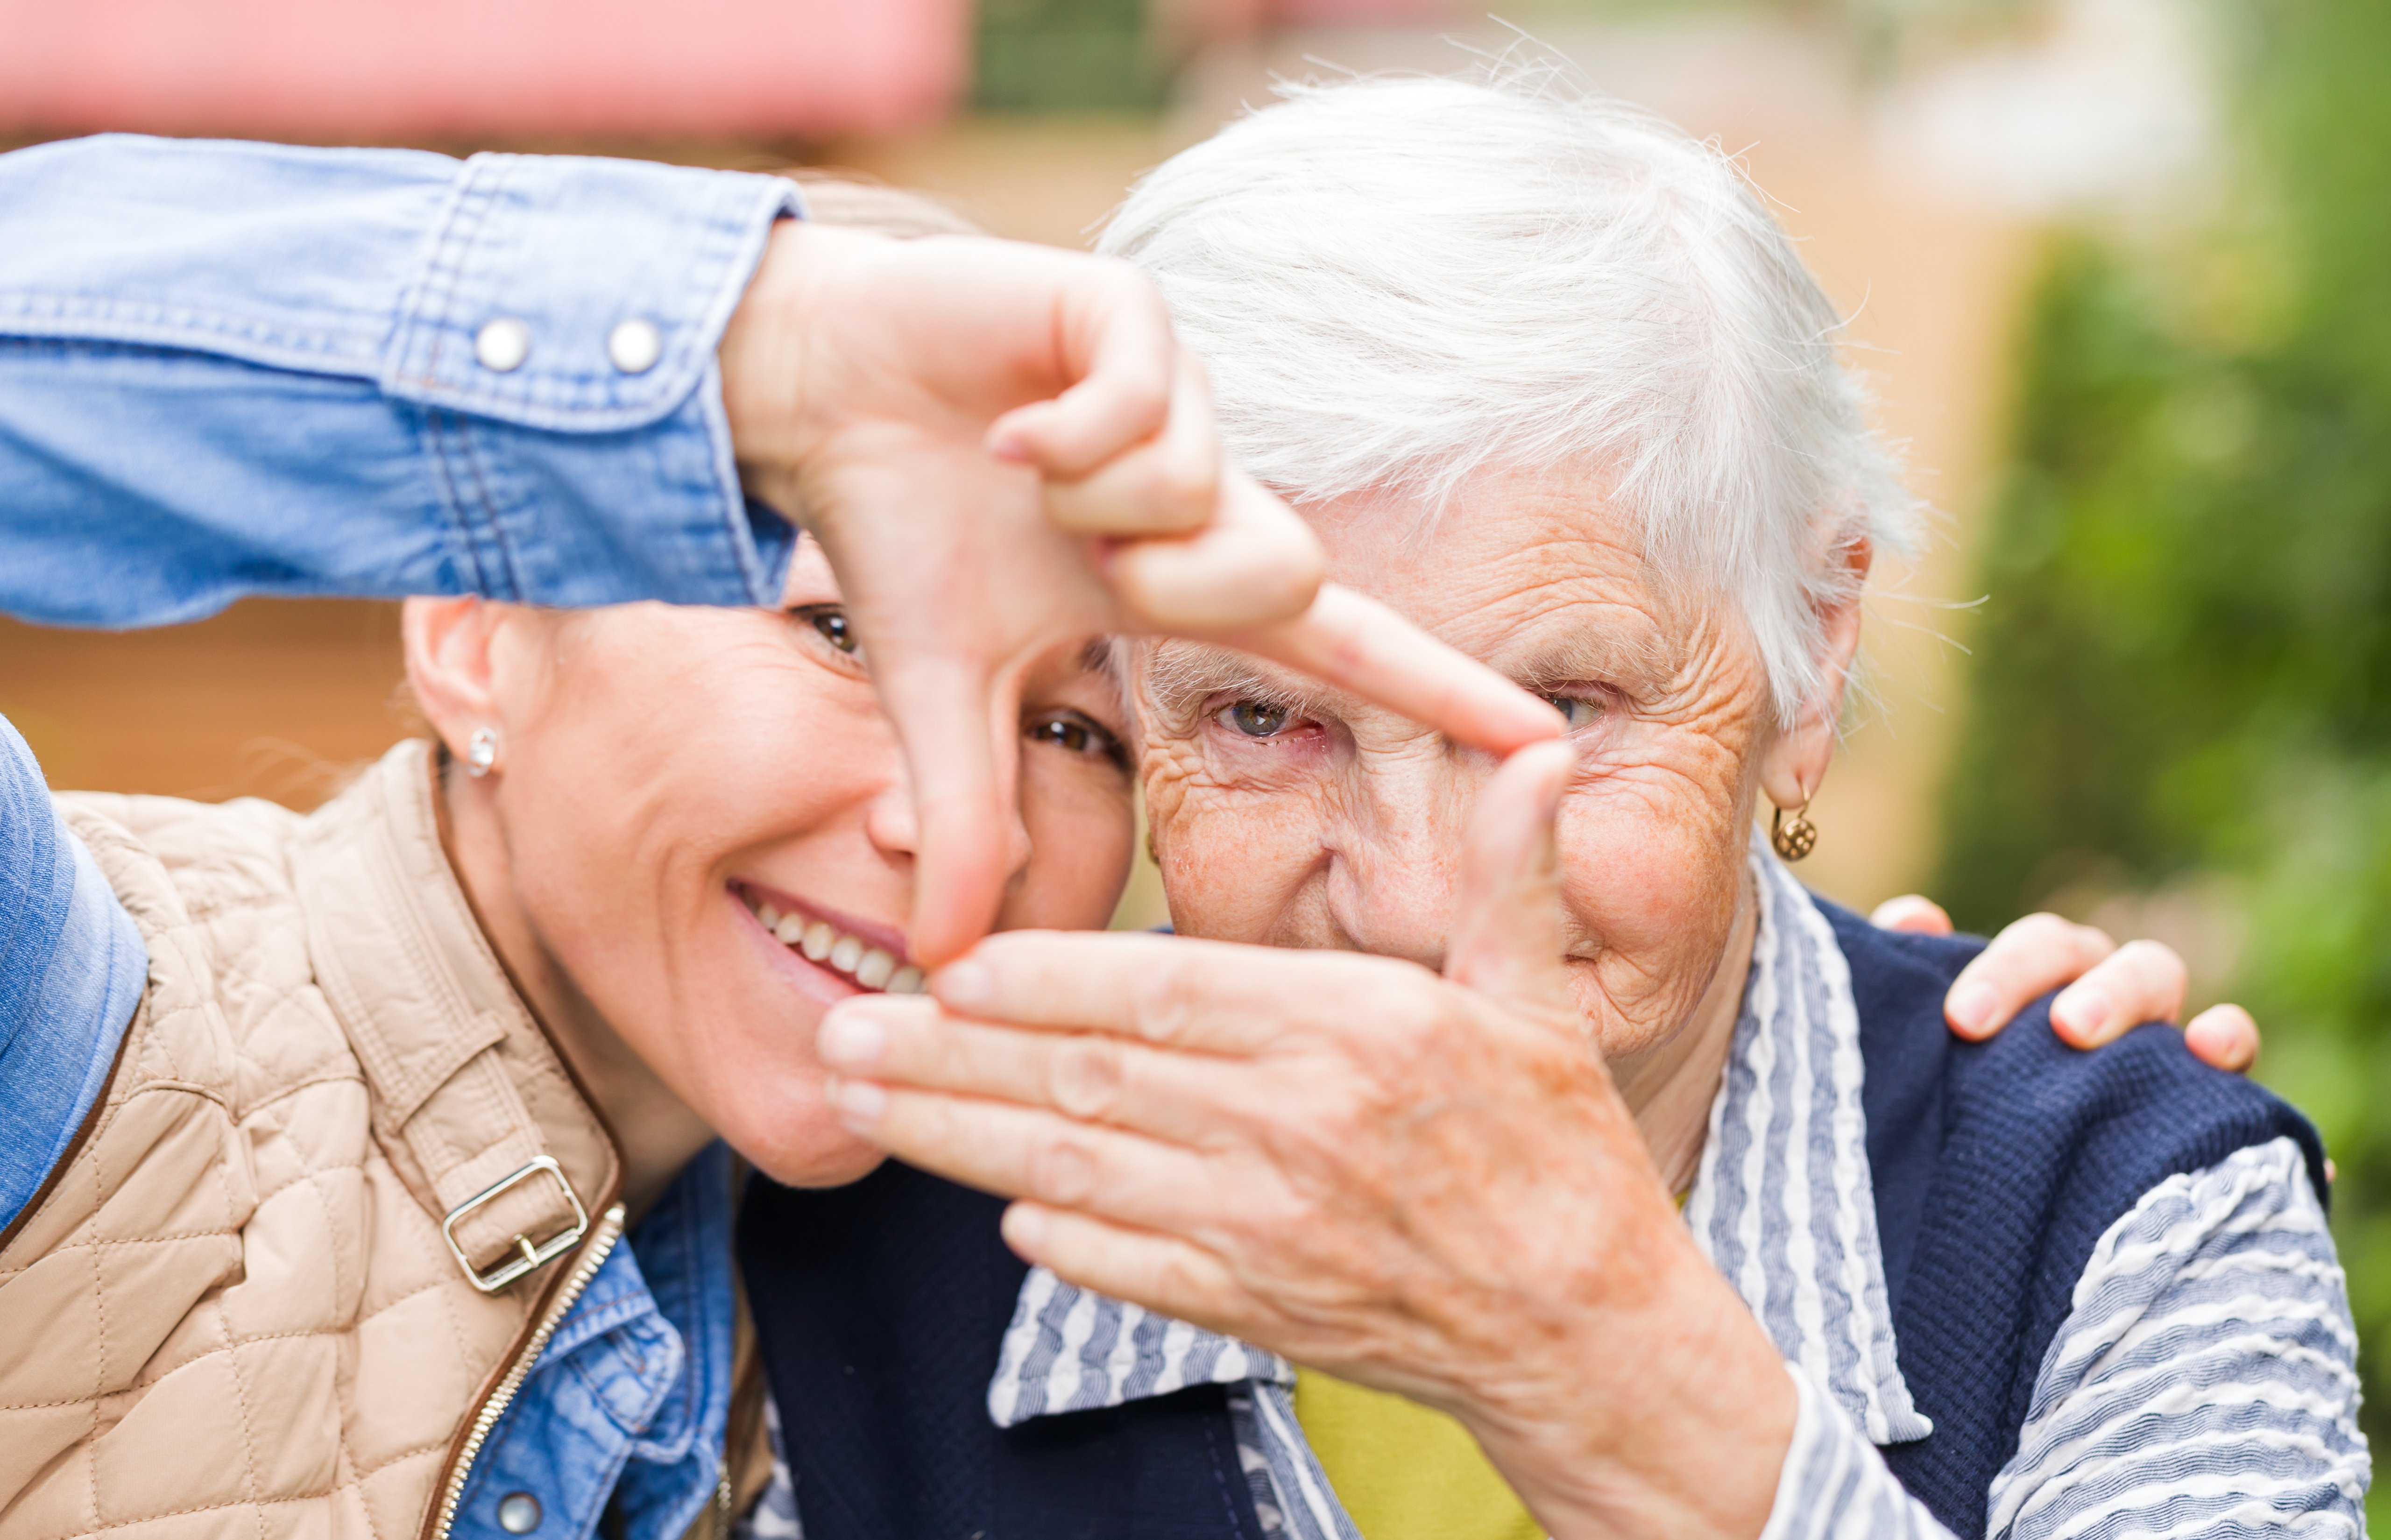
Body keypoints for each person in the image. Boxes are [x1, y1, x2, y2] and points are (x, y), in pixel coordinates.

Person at [0, 150, 2217, 1540]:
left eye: (1068, 719)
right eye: (834, 627)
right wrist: (710, 345)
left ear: (1801, 668)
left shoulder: (800, 1238)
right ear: (470, 616)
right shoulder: (81, 1017)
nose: (942, 809)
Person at [802, 74, 2366, 1540]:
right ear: (1122, 691)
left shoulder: (2115, 1206)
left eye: (1559, 712)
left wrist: (1633, 1396)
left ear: (1808, 663)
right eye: (1265, 716)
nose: (1416, 900)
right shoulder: (871, 1222)